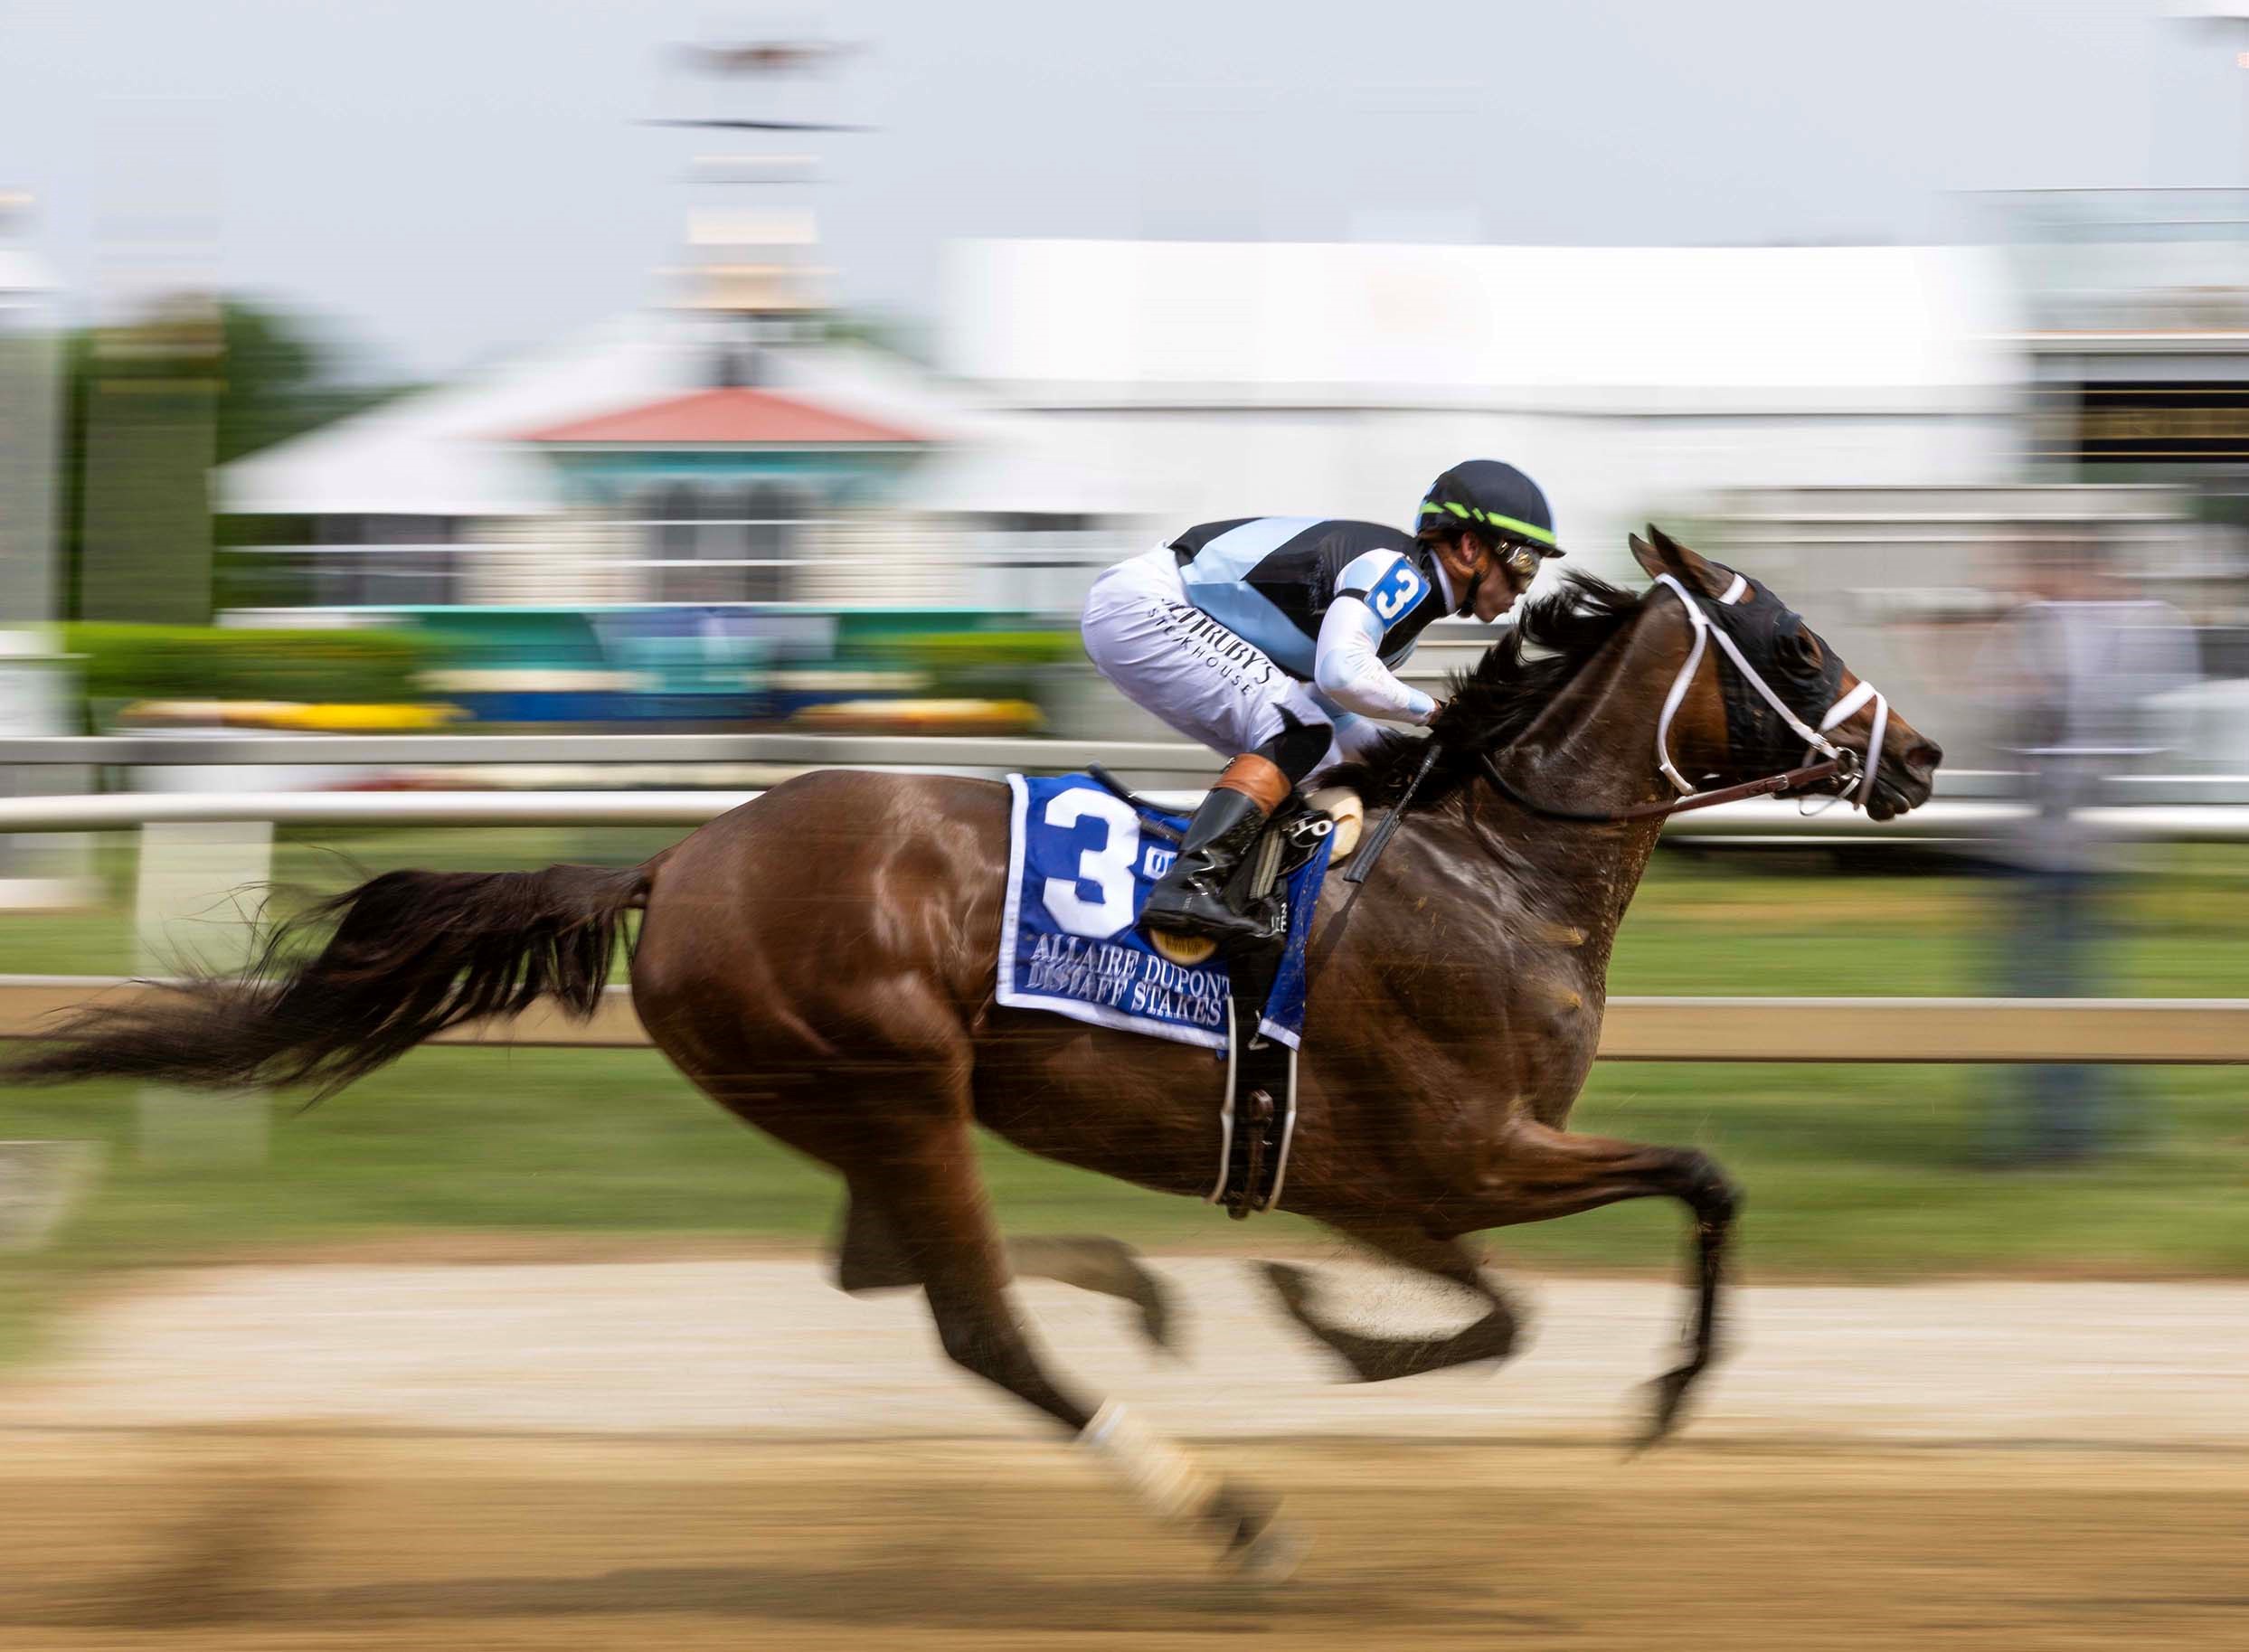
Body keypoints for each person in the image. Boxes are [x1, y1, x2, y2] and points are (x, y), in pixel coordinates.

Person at [1080, 459, 1564, 948]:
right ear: (1469, 546)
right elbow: (1344, 674)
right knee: (1297, 735)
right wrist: (1438, 713)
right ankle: (1188, 889)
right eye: (1524, 561)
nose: (1525, 586)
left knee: (1323, 754)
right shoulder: (1397, 571)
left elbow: (1326, 705)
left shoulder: (1403, 626)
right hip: (1147, 603)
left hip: (1144, 610)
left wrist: (1402, 758)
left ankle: (1255, 896)